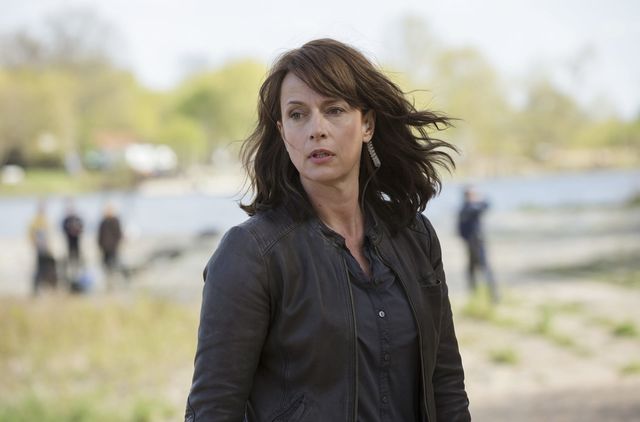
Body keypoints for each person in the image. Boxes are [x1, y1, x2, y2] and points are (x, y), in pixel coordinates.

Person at [186, 39, 470, 421]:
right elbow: (212, 410)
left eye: (334, 110)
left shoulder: (415, 237)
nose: (316, 130)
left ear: (367, 124)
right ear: (282, 131)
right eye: (297, 115)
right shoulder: (251, 254)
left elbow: (445, 385)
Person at [457, 186, 498, 303]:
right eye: (473, 194)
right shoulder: (470, 207)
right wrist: (481, 198)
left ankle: (476, 293)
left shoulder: (463, 208)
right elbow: (486, 205)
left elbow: (459, 230)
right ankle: (492, 295)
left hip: (471, 243)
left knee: (472, 269)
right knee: (484, 268)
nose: (475, 197)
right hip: (476, 243)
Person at [29, 200, 57, 294]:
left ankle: (47, 287)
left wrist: (50, 247)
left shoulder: (46, 220)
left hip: (46, 249)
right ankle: (36, 288)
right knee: (39, 269)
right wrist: (35, 244)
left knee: (47, 268)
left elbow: (49, 235)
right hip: (40, 250)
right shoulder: (35, 221)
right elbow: (32, 235)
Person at [97, 203, 123, 284]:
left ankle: (114, 279)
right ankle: (108, 279)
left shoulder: (115, 221)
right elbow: (100, 234)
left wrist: (116, 244)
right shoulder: (103, 222)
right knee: (105, 264)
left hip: (113, 247)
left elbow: (118, 234)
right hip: (104, 247)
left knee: (114, 263)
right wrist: (100, 244)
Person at [61, 198, 84, 270]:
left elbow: (81, 227)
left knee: (77, 252)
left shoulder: (77, 218)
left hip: (76, 240)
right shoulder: (67, 219)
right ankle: (71, 265)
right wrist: (69, 231)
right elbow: (64, 228)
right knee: (70, 253)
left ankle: (77, 265)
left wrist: (77, 232)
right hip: (69, 240)